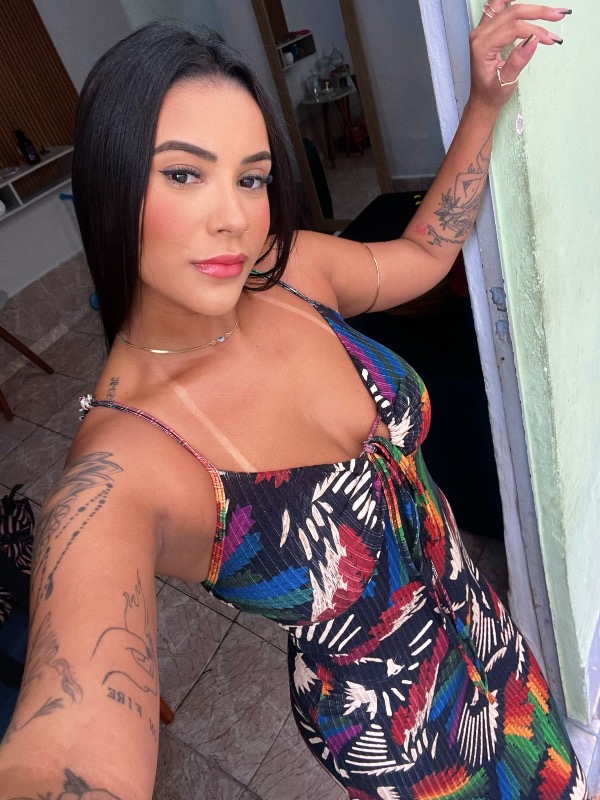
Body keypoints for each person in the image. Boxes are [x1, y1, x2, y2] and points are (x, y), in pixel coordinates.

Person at [0, 5, 589, 800]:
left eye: (250, 177)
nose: (234, 218)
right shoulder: (123, 470)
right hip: (408, 749)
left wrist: (484, 102)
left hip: (486, 635)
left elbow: (421, 253)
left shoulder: (287, 272)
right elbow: (70, 739)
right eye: (184, 174)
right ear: (112, 184)